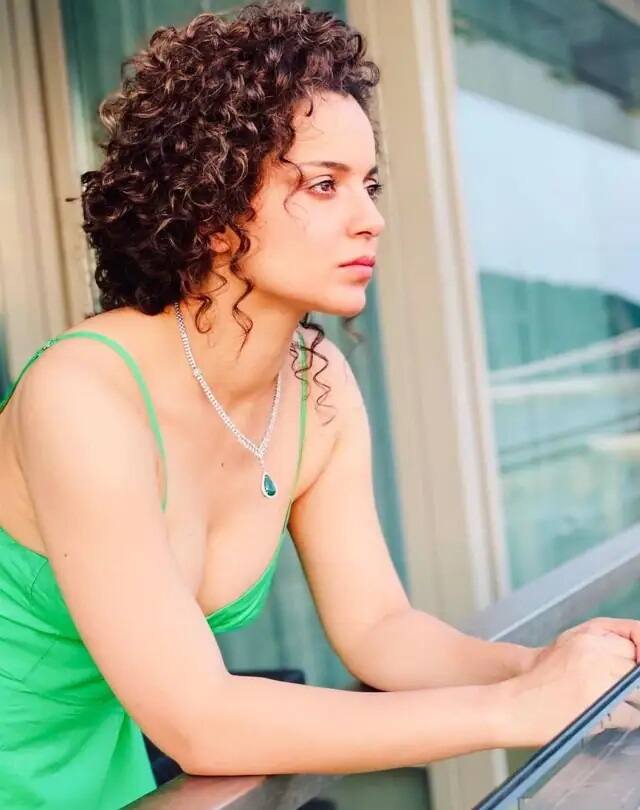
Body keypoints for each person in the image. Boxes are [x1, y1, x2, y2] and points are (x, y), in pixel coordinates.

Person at [0, 2, 638, 808]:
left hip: (106, 781)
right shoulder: (83, 395)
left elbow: (380, 630)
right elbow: (200, 721)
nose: (371, 219)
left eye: (367, 184)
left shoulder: (315, 384)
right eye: (325, 185)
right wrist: (512, 710)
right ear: (213, 208)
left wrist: (549, 669)